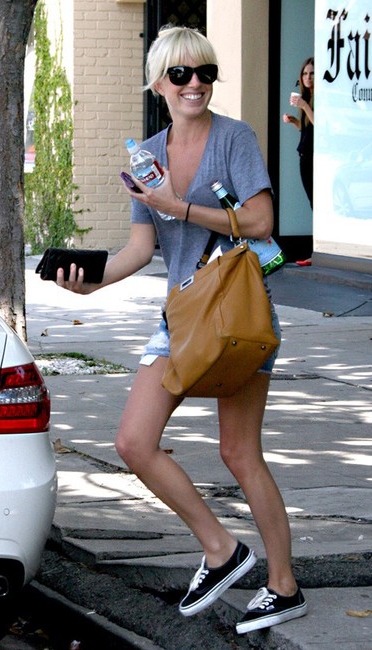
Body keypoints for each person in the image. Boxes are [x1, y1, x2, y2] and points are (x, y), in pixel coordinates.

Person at [56, 26, 307, 635]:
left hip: (239, 314)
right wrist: (92, 284)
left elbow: (261, 220)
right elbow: (140, 249)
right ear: (158, 83)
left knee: (240, 452)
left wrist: (178, 206)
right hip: (180, 318)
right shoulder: (147, 156)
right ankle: (221, 549)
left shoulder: (235, 138)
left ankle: (284, 586)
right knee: (133, 442)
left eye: (206, 72)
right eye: (181, 74)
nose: (196, 84)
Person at [283, 57, 314, 266]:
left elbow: (321, 125)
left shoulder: (316, 100)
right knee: (313, 204)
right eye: (304, 74)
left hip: (314, 159)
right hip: (304, 156)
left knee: (317, 205)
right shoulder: (307, 99)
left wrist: (303, 106)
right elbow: (309, 129)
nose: (308, 77)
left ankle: (317, 252)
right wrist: (295, 122)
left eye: (312, 73)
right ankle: (315, 252)